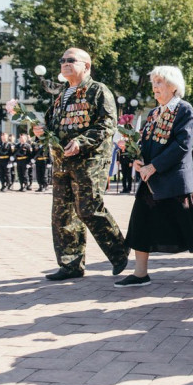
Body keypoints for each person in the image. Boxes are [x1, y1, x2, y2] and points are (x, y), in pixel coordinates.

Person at [114, 66, 193, 287]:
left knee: (188, 223)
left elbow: (182, 145)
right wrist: (138, 158)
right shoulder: (154, 113)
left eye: (159, 82)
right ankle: (140, 273)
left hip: (174, 180)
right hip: (150, 179)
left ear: (173, 86)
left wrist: (154, 166)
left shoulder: (184, 109)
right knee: (140, 221)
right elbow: (146, 142)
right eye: (153, 82)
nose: (155, 87)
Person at [34, 47, 129, 281]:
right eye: (62, 60)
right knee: (63, 214)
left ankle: (119, 251)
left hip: (89, 161)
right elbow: (51, 122)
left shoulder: (98, 91)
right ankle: (71, 264)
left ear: (86, 66)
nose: (64, 63)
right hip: (62, 160)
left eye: (71, 60)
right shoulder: (62, 93)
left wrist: (81, 141)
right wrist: (40, 130)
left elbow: (107, 124)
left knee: (88, 208)